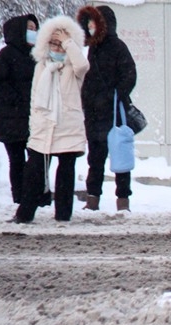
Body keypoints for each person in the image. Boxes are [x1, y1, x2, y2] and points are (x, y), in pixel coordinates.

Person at [12, 16, 88, 224]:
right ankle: (24, 214)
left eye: (61, 43)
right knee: (34, 172)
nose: (57, 47)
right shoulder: (41, 67)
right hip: (43, 127)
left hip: (68, 127)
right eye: (53, 42)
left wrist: (68, 42)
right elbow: (35, 98)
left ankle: (63, 216)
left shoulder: (74, 67)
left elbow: (83, 65)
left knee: (65, 171)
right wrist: (34, 124)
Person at [75, 5, 137, 213]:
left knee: (121, 159)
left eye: (94, 21)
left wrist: (111, 96)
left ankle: (123, 202)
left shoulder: (118, 47)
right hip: (94, 116)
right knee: (95, 160)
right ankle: (93, 200)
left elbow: (129, 76)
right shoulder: (92, 48)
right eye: (89, 22)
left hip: (113, 114)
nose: (91, 26)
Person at [0, 13, 39, 206]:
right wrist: (22, 100)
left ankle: (34, 196)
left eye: (35, 29)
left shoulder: (35, 54)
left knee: (35, 159)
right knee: (17, 159)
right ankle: (19, 197)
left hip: (32, 117)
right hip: (12, 118)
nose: (33, 33)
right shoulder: (6, 55)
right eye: (29, 29)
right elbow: (1, 85)